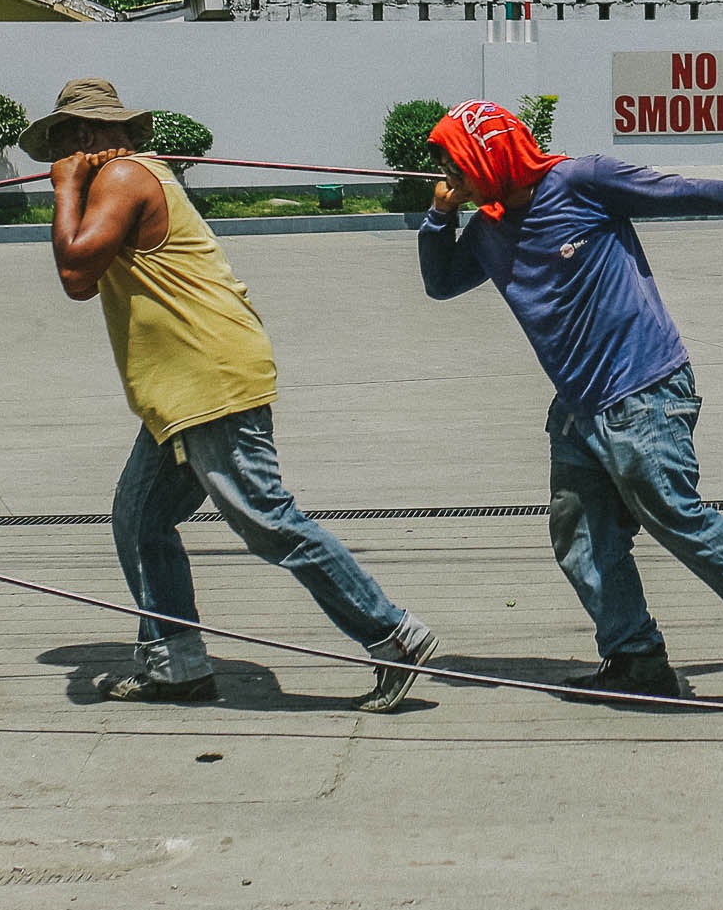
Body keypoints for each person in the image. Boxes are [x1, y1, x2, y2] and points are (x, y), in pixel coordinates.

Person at [414, 100, 723, 705]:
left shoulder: (581, 181)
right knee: (580, 535)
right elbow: (440, 283)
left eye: (454, 160)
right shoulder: (486, 230)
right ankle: (635, 656)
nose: (449, 173)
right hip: (578, 407)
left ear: (491, 154)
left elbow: (680, 192)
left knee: (676, 516)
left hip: (643, 388)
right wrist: (439, 215)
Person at [34, 78, 437, 711]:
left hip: (207, 379)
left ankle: (392, 633)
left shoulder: (123, 180)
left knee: (267, 520)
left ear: (83, 135)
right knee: (140, 521)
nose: (57, 157)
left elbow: (75, 273)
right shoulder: (135, 176)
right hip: (179, 389)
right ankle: (177, 664)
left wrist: (64, 190)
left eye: (59, 142)